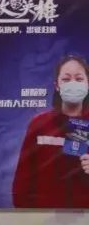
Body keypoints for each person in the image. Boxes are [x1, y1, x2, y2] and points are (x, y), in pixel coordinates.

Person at [13, 55, 89, 208]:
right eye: (66, 79)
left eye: (79, 79)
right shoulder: (39, 124)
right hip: (44, 216)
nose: (73, 84)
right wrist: (26, 216)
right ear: (57, 85)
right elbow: (22, 180)